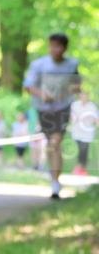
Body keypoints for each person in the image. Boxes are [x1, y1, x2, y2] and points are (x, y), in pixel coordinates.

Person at [23, 33, 81, 199]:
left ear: (65, 48)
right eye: (53, 46)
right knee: (51, 144)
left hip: (63, 108)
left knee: (56, 141)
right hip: (44, 109)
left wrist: (72, 89)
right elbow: (28, 85)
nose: (56, 49)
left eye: (59, 46)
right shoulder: (38, 65)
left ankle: (55, 184)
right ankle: (54, 178)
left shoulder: (72, 64)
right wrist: (42, 94)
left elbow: (76, 85)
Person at [70, 89, 98, 176]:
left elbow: (96, 119)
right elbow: (71, 116)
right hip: (77, 131)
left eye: (85, 94)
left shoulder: (92, 106)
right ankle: (80, 167)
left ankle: (82, 167)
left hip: (87, 133)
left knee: (84, 149)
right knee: (79, 150)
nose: (84, 96)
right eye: (82, 94)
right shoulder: (75, 105)